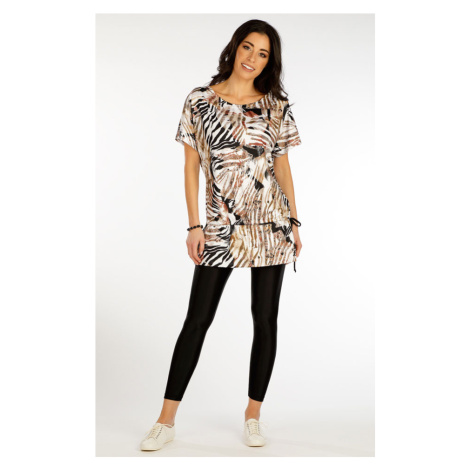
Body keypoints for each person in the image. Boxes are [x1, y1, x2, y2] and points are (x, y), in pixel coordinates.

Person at [140, 19, 303, 452]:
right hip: (221, 225)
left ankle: (253, 416)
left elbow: (282, 166)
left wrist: (294, 221)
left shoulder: (276, 105)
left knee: (265, 320)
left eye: (263, 54)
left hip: (271, 225)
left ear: (270, 62)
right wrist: (195, 225)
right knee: (197, 320)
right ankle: (165, 421)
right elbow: (191, 165)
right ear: (235, 47)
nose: (253, 59)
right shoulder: (200, 100)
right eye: (248, 47)